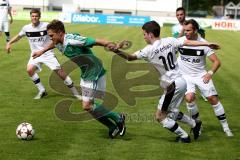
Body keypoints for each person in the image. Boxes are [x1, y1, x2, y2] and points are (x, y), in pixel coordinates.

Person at [109, 21, 220, 142]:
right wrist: (207, 43)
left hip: (173, 85)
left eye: (144, 34)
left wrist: (116, 51)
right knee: (171, 112)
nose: (144, 36)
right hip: (181, 81)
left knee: (160, 116)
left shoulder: (148, 50)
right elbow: (187, 42)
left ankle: (184, 137)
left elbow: (129, 57)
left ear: (150, 34)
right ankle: (195, 124)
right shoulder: (170, 40)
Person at [32, 19, 126, 139]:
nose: (50, 38)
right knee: (90, 107)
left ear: (60, 33)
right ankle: (112, 126)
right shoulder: (58, 41)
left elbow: (96, 41)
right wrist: (42, 51)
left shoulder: (72, 40)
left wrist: (112, 45)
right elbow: (54, 44)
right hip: (86, 72)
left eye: (51, 35)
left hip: (93, 71)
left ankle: (118, 118)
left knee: (87, 105)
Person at [5, 9, 80, 100]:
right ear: (30, 17)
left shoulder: (46, 26)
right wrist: (9, 43)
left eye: (36, 16)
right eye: (33, 16)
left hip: (47, 53)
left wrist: (63, 43)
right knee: (29, 70)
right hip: (35, 54)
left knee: (60, 73)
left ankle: (76, 93)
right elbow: (19, 36)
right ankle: (42, 90)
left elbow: (59, 34)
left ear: (39, 17)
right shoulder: (26, 28)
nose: (34, 18)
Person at [177, 19, 233, 137]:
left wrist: (210, 73)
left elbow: (216, 62)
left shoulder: (204, 44)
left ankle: (226, 127)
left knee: (213, 99)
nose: (185, 32)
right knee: (189, 98)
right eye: (185, 30)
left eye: (188, 30)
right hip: (185, 76)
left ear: (195, 30)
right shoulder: (180, 41)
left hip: (200, 75)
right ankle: (198, 124)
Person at [172, 7, 207, 102]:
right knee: (184, 76)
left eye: (181, 14)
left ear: (185, 14)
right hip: (183, 55)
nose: (179, 16)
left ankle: (204, 92)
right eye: (177, 15)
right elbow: (177, 41)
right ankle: (185, 93)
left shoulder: (192, 24)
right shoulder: (175, 27)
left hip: (195, 53)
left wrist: (201, 45)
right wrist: (182, 30)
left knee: (198, 72)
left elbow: (202, 33)